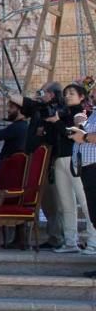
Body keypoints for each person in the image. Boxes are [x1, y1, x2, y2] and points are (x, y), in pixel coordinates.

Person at [0, 72, 65, 248]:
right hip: (34, 162)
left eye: (42, 91)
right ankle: (43, 239)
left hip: (51, 164)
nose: (39, 94)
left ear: (51, 94)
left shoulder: (58, 110)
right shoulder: (37, 109)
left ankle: (58, 239)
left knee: (53, 203)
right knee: (38, 202)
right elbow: (16, 97)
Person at [49, 83, 95, 253]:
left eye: (72, 93)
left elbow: (74, 134)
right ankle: (70, 242)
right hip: (60, 159)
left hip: (75, 159)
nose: (68, 96)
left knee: (85, 202)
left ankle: (93, 242)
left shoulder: (81, 113)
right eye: (66, 93)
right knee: (66, 203)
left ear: (82, 96)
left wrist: (58, 123)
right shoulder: (63, 112)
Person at [67, 104, 96, 255]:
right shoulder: (93, 113)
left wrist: (83, 137)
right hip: (87, 169)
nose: (92, 91)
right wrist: (80, 124)